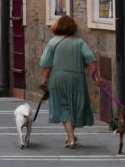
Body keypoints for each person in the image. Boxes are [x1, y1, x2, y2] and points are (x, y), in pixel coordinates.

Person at [40, 14, 97, 149]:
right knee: (75, 105)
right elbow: (92, 61)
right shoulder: (79, 42)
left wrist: (44, 80)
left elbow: (46, 65)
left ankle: (70, 137)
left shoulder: (52, 43)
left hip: (57, 79)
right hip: (77, 78)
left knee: (63, 107)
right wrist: (96, 77)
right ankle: (71, 135)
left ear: (57, 27)